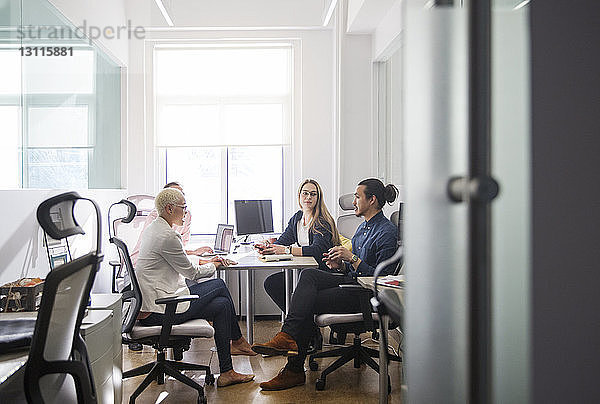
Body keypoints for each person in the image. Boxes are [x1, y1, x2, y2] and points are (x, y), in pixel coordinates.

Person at [251, 178, 399, 391]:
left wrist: (352, 259)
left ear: (372, 199)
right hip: (350, 282)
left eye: (357, 197)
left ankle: (293, 367)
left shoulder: (385, 232)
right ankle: (288, 339)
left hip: (365, 295)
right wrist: (339, 264)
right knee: (309, 276)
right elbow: (350, 267)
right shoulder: (363, 228)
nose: (354, 201)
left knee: (306, 300)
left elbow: (381, 279)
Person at [136, 187, 256, 387]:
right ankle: (238, 341)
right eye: (183, 208)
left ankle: (227, 371)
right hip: (163, 309)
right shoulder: (167, 236)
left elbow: (178, 259)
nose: (186, 212)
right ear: (169, 208)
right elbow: (191, 273)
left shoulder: (155, 229)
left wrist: (201, 260)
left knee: (221, 305)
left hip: (154, 305)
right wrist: (214, 264)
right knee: (219, 284)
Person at [258, 179, 340, 313]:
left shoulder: (322, 221)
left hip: (324, 271)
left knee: (286, 283)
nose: (308, 197)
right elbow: (283, 240)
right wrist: (268, 247)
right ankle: (304, 324)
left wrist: (286, 250)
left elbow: (317, 251)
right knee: (272, 283)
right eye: (305, 193)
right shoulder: (298, 218)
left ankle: (303, 326)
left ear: (318, 198)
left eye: (313, 194)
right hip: (305, 271)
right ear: (299, 196)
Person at [129, 181, 213, 267]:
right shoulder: (155, 217)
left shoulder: (186, 215)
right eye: (174, 194)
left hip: (163, 268)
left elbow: (179, 249)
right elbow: (168, 250)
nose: (180, 197)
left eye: (181, 194)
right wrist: (201, 259)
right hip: (140, 268)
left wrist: (195, 254)